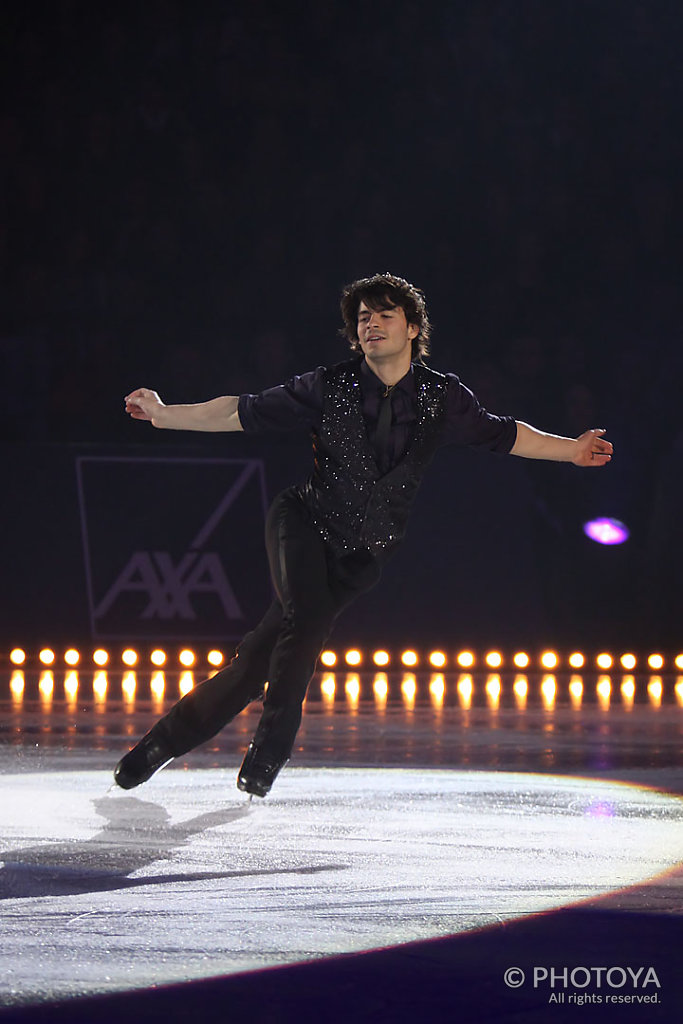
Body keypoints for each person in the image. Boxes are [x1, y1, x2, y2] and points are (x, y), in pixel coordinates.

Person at [114, 272, 613, 798]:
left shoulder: (443, 398)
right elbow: (240, 410)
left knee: (256, 662)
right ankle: (269, 753)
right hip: (303, 523)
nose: (371, 324)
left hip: (362, 558)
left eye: (385, 314)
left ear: (414, 327)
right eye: (363, 318)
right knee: (304, 627)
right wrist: (164, 415)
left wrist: (572, 450)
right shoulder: (328, 385)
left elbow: (504, 435)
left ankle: (153, 749)